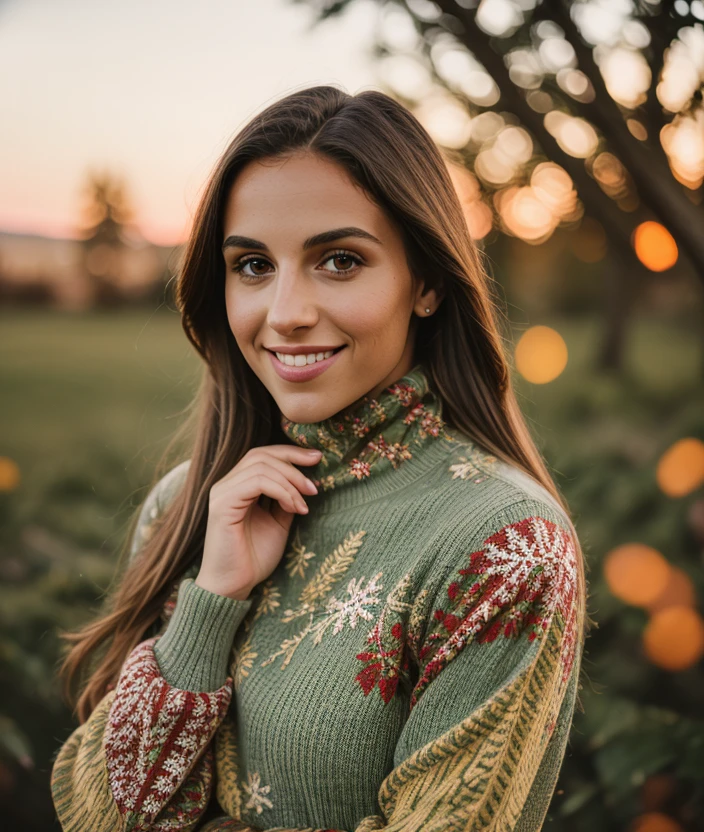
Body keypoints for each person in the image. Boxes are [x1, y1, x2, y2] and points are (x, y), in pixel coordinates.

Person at [50, 84, 593, 832]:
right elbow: (96, 813)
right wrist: (210, 602)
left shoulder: (505, 548)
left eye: (339, 261)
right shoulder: (190, 507)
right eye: (252, 265)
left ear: (427, 280)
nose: (285, 313)